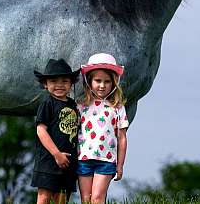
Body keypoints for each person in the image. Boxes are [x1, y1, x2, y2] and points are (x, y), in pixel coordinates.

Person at [76, 53, 129, 204]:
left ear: (114, 83)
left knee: (98, 198)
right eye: (97, 81)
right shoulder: (81, 106)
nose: (102, 85)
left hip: (106, 160)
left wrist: (120, 165)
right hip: (84, 158)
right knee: (86, 199)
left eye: (107, 81)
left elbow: (122, 138)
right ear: (89, 81)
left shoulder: (117, 108)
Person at [31, 58, 81, 204]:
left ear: (71, 83)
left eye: (65, 81)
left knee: (61, 199)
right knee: (44, 198)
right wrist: (56, 154)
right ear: (45, 85)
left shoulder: (73, 105)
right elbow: (41, 130)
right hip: (48, 160)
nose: (59, 85)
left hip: (69, 162)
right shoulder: (47, 104)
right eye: (53, 81)